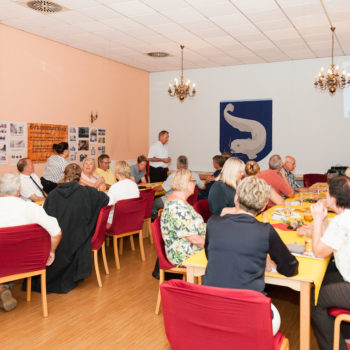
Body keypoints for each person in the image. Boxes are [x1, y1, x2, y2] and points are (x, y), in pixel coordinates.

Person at [203, 176, 299, 335]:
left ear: (236, 198)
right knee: (276, 317)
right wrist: (267, 261)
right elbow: (290, 268)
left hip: (210, 308)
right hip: (247, 314)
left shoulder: (213, 223)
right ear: (262, 207)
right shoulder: (265, 231)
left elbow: (210, 256)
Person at [32, 163, 109, 294]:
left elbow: (46, 219)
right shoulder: (87, 192)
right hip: (80, 238)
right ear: (79, 177)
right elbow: (105, 199)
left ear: (64, 176)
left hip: (59, 241)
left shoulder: (53, 195)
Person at [0, 173, 62, 311]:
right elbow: (56, 232)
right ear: (19, 189)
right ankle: (4, 287)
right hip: (27, 263)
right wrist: (51, 252)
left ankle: (3, 287)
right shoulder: (32, 209)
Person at [310, 176, 350, 350]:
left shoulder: (342, 222)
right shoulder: (344, 218)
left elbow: (319, 251)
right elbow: (330, 242)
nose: (325, 195)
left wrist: (318, 219)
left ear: (333, 198)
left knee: (313, 300)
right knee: (324, 279)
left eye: (327, 192)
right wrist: (325, 220)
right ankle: (347, 336)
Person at [161, 169, 206, 265]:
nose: (195, 184)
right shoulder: (177, 207)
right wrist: (216, 246)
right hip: (185, 254)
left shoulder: (181, 202)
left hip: (191, 246)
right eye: (194, 181)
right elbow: (194, 239)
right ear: (186, 183)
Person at [152, 155, 205, 220]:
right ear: (187, 165)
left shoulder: (173, 176)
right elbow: (203, 187)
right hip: (188, 203)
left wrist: (152, 188)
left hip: (171, 201)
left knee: (153, 203)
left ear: (177, 165)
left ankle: (157, 224)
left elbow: (161, 188)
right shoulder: (194, 175)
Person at [107, 160, 140, 228]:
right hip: (133, 220)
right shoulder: (134, 185)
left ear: (116, 173)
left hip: (117, 223)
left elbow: (108, 206)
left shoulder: (114, 187)